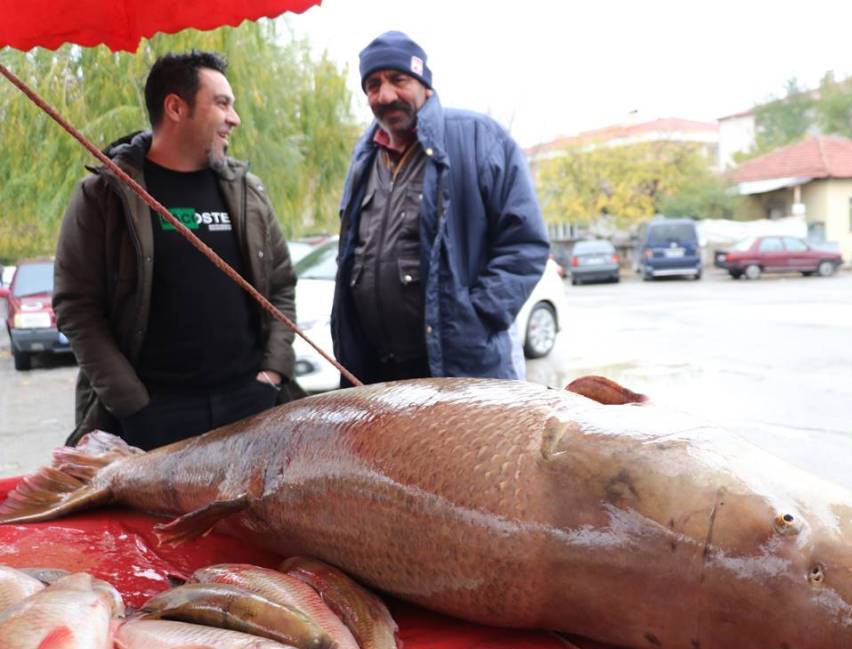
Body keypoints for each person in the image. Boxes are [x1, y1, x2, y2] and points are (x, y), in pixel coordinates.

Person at [53, 51, 300, 450]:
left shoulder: (247, 192)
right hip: (150, 418)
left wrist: (273, 373)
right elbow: (76, 307)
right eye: (222, 103)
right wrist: (132, 404)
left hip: (250, 406)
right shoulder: (105, 195)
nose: (234, 118)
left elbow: (281, 287)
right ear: (175, 107)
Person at [332, 31, 549, 384]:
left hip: (458, 367)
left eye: (398, 80)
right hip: (378, 374)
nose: (385, 95)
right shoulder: (364, 157)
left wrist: (477, 318)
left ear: (425, 85)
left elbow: (526, 244)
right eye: (373, 85)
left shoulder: (480, 138)